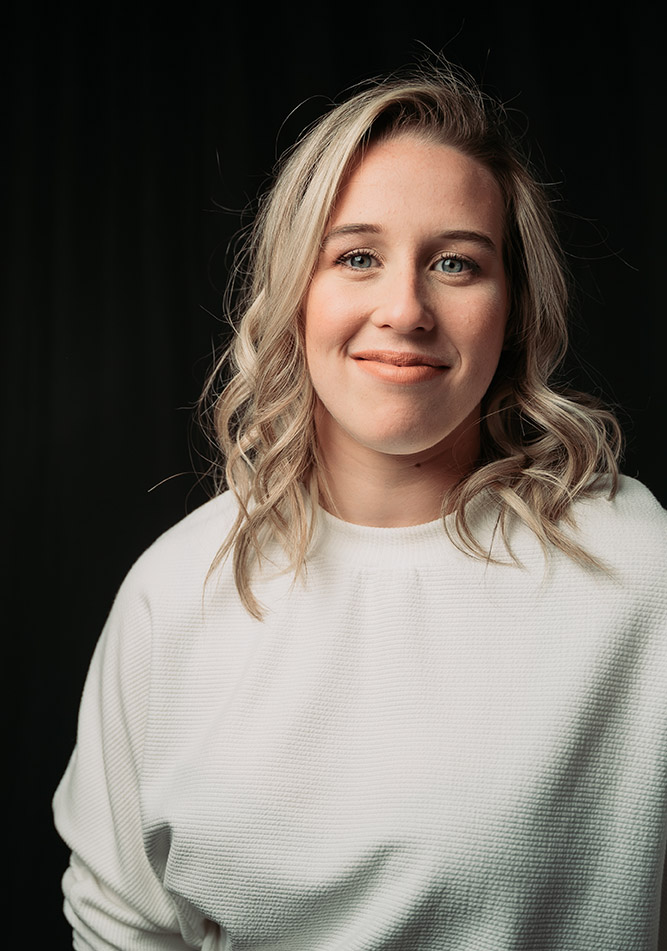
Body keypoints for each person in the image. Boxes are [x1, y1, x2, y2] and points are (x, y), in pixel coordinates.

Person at [53, 63, 667, 950]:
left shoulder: (637, 570)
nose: (405, 308)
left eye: (455, 263)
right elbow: (120, 923)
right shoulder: (173, 590)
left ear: (513, 309)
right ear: (296, 291)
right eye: (357, 257)